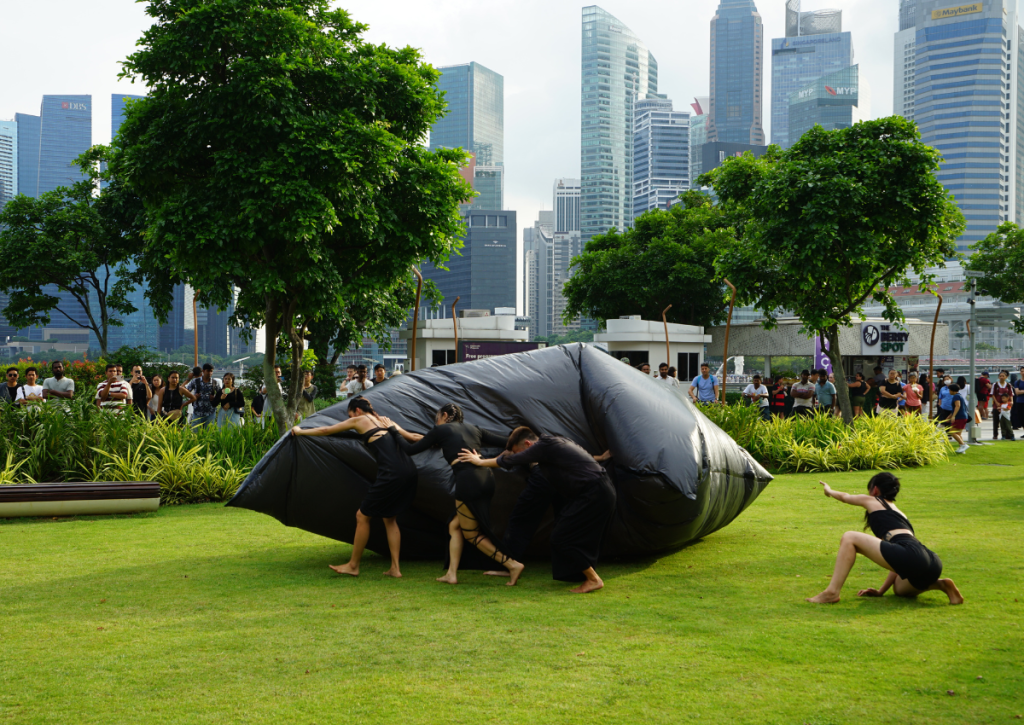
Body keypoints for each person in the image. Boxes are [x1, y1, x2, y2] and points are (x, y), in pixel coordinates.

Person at [456, 427, 615, 594]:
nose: (522, 457)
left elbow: (509, 461)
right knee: (569, 533)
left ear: (527, 443)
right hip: (598, 490)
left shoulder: (542, 447)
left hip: (594, 493)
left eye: (520, 452)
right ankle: (582, 575)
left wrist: (479, 461)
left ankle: (593, 579)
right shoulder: (556, 441)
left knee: (561, 537)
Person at [389, 403, 524, 585]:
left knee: (472, 534)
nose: (436, 423)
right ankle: (451, 574)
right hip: (487, 479)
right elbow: (508, 443)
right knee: (455, 526)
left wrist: (393, 430)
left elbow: (410, 449)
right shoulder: (474, 429)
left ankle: (512, 564)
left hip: (468, 481)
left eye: (436, 418)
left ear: (444, 416)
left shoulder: (442, 430)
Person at [293, 396, 417, 578]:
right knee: (389, 519)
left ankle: (353, 565)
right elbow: (413, 437)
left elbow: (328, 429)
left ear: (357, 411)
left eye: (350, 414)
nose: (350, 418)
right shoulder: (385, 421)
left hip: (391, 473)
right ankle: (395, 569)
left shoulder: (360, 420)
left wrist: (300, 431)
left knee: (362, 516)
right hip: (409, 471)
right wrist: (443, 440)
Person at [805, 473, 962, 605]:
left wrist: (829, 490)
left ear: (875, 489)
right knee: (899, 590)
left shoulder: (874, 500)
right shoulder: (900, 513)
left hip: (911, 555)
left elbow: (845, 497)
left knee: (849, 537)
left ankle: (832, 592)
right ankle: (941, 584)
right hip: (931, 561)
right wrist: (881, 591)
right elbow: (897, 561)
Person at [186, 363, 221, 428]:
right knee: (195, 432)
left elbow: (220, 394)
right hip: (197, 412)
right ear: (203, 371)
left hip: (210, 412)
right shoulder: (195, 381)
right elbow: (186, 391)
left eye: (211, 371)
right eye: (208, 371)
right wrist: (193, 397)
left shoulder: (214, 382)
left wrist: (215, 398)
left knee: (209, 433)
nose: (210, 373)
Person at [992, 371, 1016, 441]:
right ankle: (995, 434)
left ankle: (1008, 435)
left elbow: (1011, 394)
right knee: (996, 420)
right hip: (997, 404)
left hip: (1006, 405)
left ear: (1006, 377)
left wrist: (1011, 401)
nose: (1001, 377)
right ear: (998, 377)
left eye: (1003, 376)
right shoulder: (995, 384)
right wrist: (996, 402)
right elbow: (992, 394)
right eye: (1000, 376)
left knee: (1006, 420)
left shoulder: (1008, 385)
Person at [947, 383, 969, 454]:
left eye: (950, 390)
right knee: (958, 434)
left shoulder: (956, 396)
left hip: (959, 417)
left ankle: (963, 445)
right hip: (963, 417)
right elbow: (955, 408)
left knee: (951, 431)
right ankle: (962, 449)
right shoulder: (960, 396)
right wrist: (949, 416)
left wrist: (953, 416)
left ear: (953, 390)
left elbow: (957, 406)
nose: (949, 391)